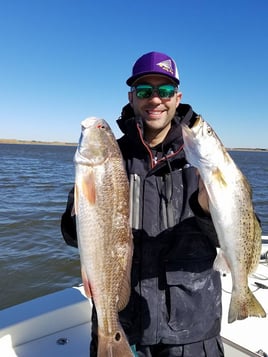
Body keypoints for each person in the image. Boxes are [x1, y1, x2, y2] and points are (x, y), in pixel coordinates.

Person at [61, 51, 224, 357]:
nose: (155, 100)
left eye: (164, 91)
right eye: (145, 91)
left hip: (192, 330)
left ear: (177, 97)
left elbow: (241, 236)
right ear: (132, 97)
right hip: (123, 323)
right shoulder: (112, 155)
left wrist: (206, 208)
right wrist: (80, 203)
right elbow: (73, 237)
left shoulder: (202, 154)